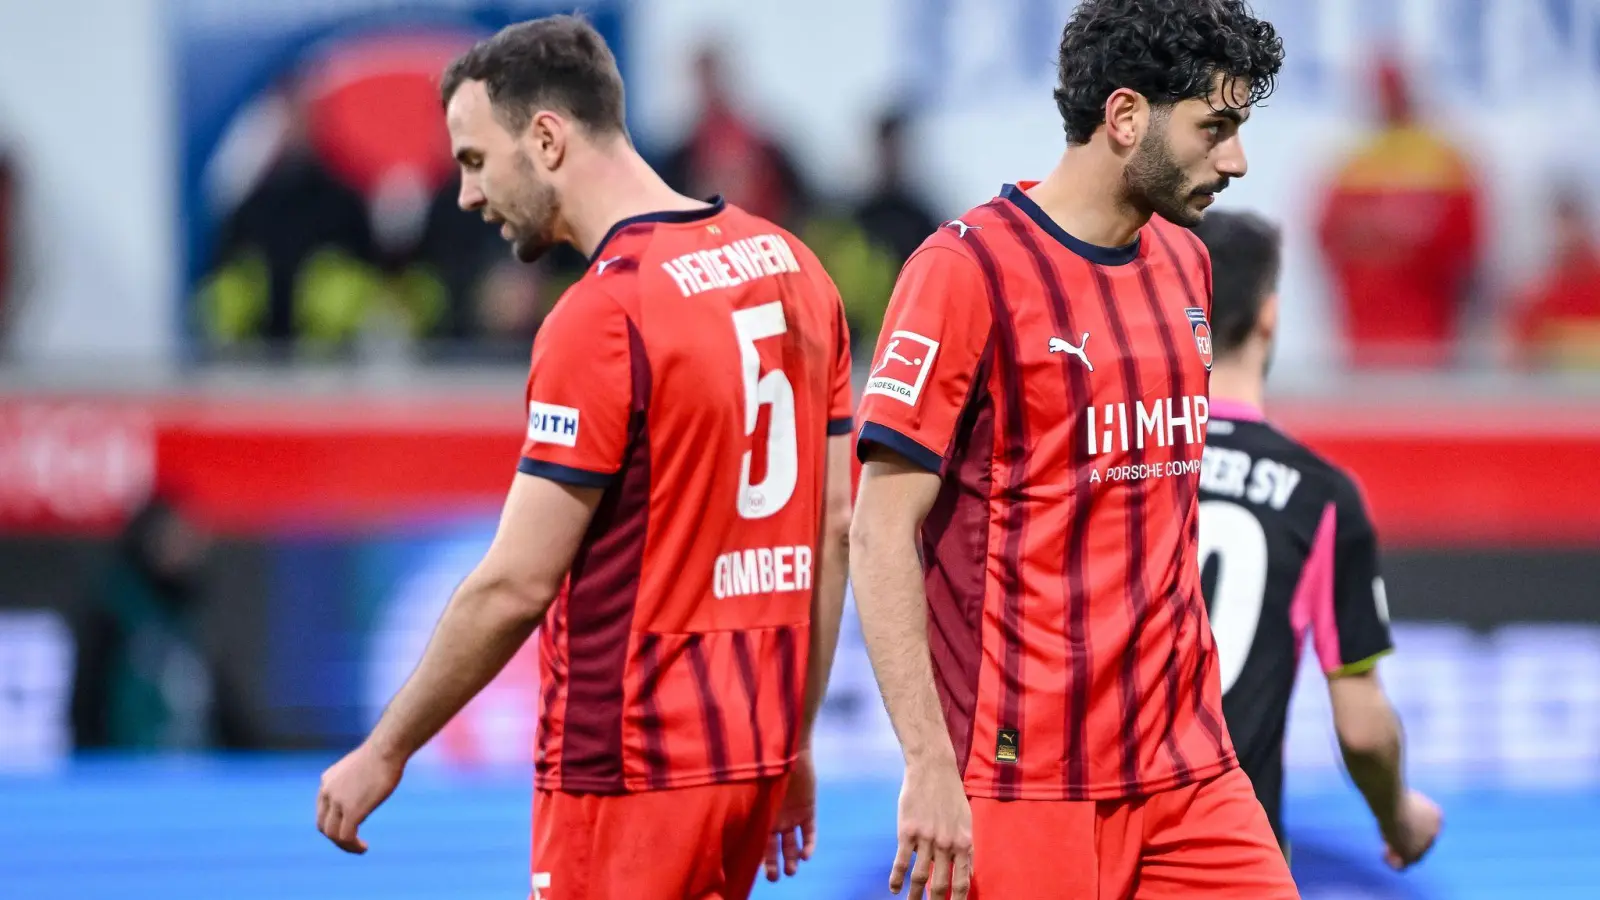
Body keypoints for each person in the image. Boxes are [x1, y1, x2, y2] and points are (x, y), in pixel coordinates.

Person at [313, 17, 855, 900]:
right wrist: (792, 743)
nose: (463, 195)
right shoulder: (795, 267)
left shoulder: (603, 317)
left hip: (630, 769)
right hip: (750, 758)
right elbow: (834, 532)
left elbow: (513, 586)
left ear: (548, 138)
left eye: (474, 161)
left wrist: (385, 751)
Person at [849, 1, 1292, 898]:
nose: (1237, 160)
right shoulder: (964, 272)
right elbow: (877, 530)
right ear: (1126, 117)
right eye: (1215, 129)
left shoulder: (1188, 261)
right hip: (1022, 778)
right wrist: (929, 761)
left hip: (1189, 769)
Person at [1192, 209, 1442, 869]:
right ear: (1269, 316)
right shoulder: (1319, 495)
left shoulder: (1116, 461)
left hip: (1096, 844)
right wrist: (1400, 814)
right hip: (1230, 855)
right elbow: (1362, 730)